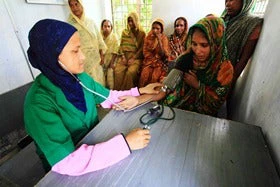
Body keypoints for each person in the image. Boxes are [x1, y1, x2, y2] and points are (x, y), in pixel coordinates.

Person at [24, 19, 162, 176]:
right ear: (52, 56)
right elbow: (67, 162)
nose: (83, 57)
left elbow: (110, 97)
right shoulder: (38, 103)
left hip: (96, 147)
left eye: (80, 49)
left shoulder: (79, 79)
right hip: (67, 172)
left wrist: (141, 90)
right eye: (75, 51)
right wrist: (126, 144)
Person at [160, 17, 234, 117]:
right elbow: (170, 82)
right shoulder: (189, 56)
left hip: (201, 113)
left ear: (216, 43)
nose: (198, 51)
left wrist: (197, 85)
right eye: (194, 44)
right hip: (179, 99)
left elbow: (217, 101)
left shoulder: (225, 69)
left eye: (204, 45)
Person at [221, 0, 263, 118]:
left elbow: (244, 59)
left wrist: (228, 85)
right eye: (226, 0)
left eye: (232, 0)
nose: (228, 4)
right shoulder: (224, 19)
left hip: (225, 77)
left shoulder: (252, 24)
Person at [68, 0, 107, 86]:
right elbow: (69, 46)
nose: (74, 8)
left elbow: (99, 39)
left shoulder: (91, 22)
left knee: (100, 84)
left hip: (96, 61)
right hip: (82, 62)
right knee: (88, 85)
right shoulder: (69, 25)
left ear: (81, 4)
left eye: (76, 4)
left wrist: (102, 55)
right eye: (71, 6)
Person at [114, 12, 146, 90]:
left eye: (132, 21)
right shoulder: (124, 32)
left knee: (131, 72)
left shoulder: (142, 33)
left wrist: (133, 58)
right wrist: (123, 57)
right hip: (124, 56)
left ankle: (128, 93)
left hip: (135, 57)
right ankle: (118, 93)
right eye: (129, 21)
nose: (130, 23)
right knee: (117, 71)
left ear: (136, 21)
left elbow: (142, 48)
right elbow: (121, 46)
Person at [139, 19, 171, 87]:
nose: (155, 30)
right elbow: (145, 52)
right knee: (144, 74)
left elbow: (163, 55)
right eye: (153, 28)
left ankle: (153, 95)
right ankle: (143, 93)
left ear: (161, 30)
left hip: (160, 62)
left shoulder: (164, 38)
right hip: (148, 61)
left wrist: (159, 40)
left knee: (155, 76)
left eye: (157, 28)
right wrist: (152, 60)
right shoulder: (148, 38)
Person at [101, 19, 119, 89]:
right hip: (102, 59)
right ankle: (102, 90)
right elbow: (99, 49)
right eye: (105, 26)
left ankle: (111, 91)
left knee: (110, 73)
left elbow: (115, 51)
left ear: (111, 28)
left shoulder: (114, 37)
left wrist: (111, 63)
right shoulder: (100, 37)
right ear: (102, 27)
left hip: (112, 59)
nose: (107, 28)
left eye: (109, 26)